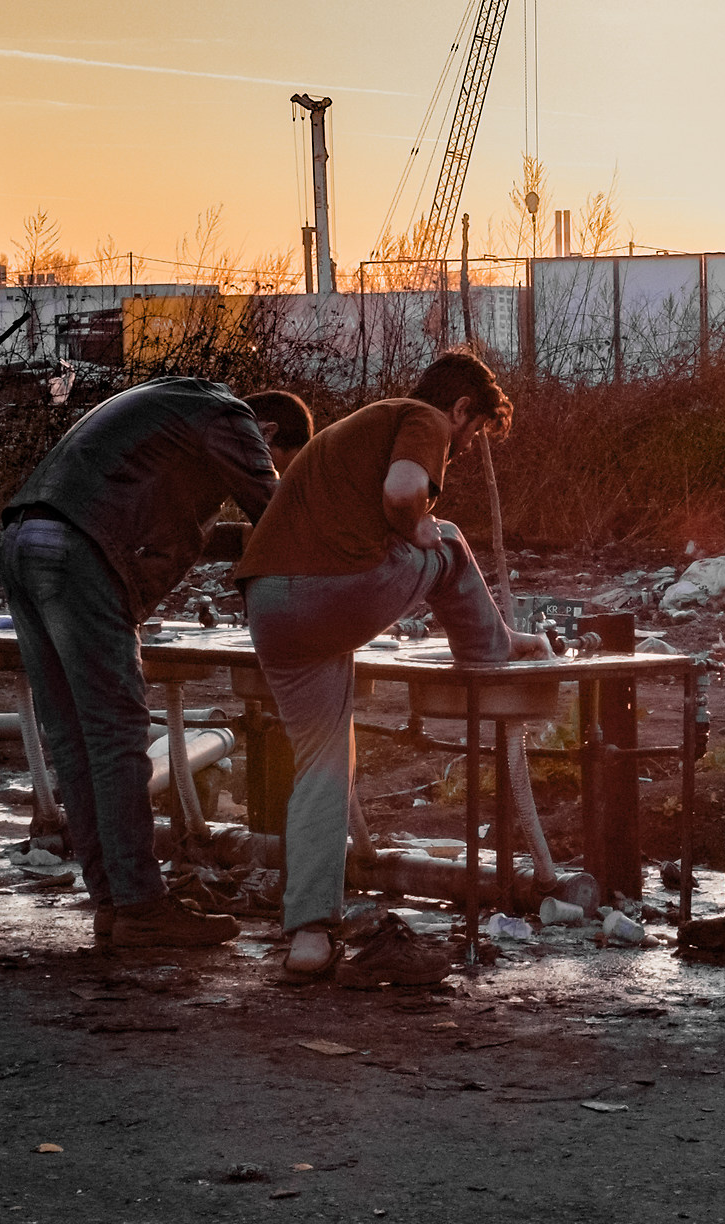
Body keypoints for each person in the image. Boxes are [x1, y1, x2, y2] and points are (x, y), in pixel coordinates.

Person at [234, 349, 554, 982]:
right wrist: (420, 528)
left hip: (270, 607)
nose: (461, 449)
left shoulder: (350, 434)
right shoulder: (422, 419)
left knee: (323, 766)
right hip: (329, 593)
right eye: (473, 432)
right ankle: (493, 649)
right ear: (461, 409)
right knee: (452, 538)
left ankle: (309, 937)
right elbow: (405, 492)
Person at [0, 378, 314, 949]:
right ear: (267, 436)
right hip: (79, 551)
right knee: (118, 736)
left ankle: (114, 904)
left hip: (24, 540)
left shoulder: (177, 412)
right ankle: (142, 906)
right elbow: (281, 513)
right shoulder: (233, 418)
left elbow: (196, 528)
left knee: (74, 736)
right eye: (274, 462)